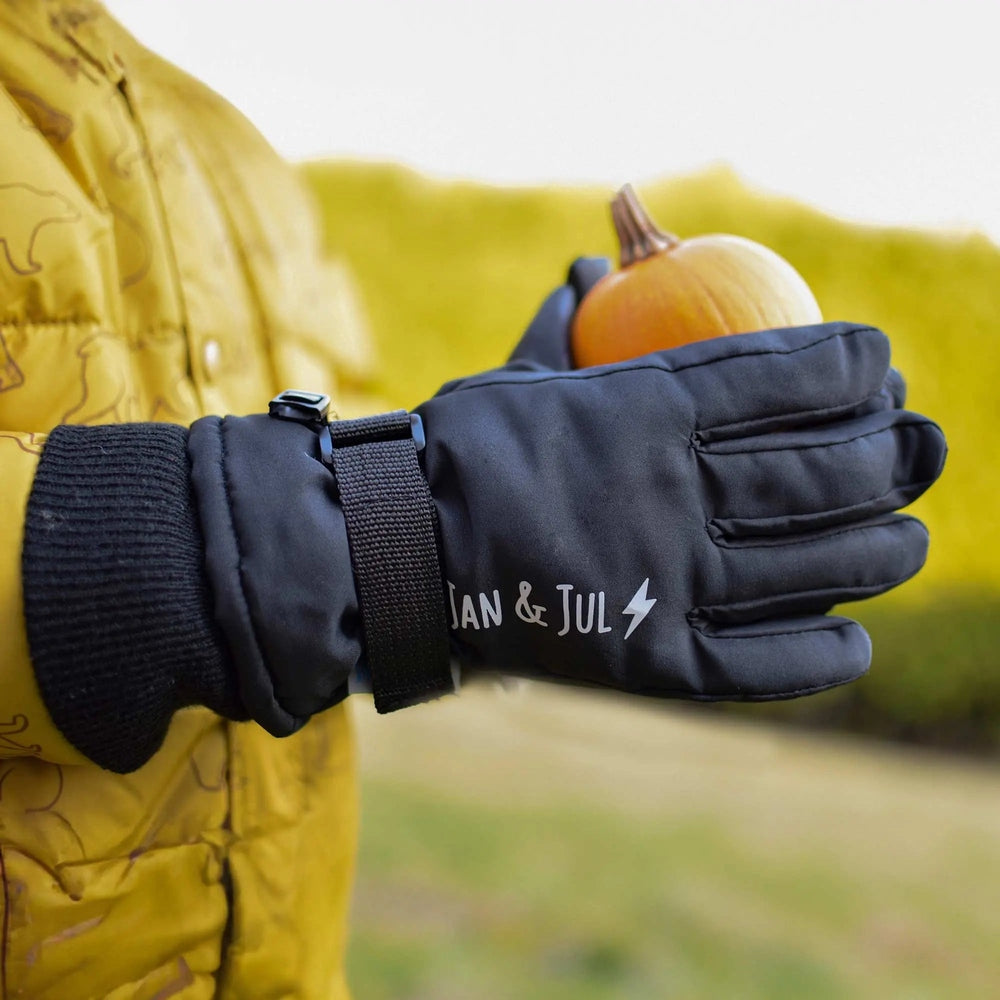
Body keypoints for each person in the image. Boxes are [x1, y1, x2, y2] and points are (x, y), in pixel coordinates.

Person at [0, 3, 946, 998]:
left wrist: (477, 546)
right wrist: (371, 533)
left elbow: (317, 470)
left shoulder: (232, 158)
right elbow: (310, 519)